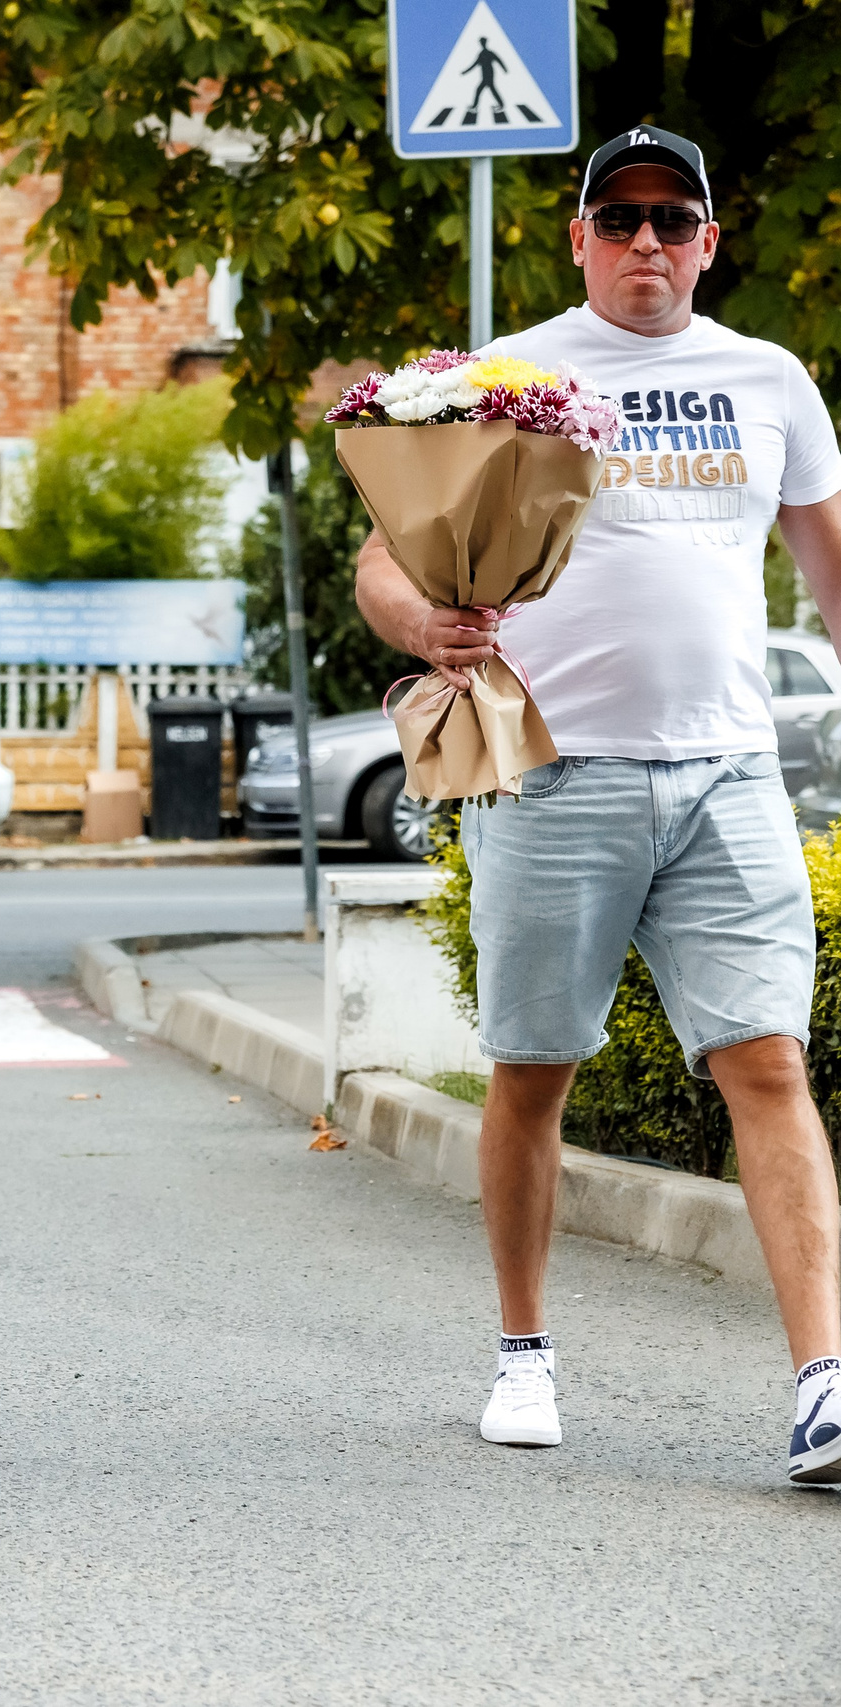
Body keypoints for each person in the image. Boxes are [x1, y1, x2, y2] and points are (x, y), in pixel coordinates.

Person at [355, 125, 841, 1480]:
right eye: (617, 218)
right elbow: (379, 560)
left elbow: (833, 577)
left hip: (729, 771)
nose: (645, 241)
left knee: (766, 1058)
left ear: (707, 242)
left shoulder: (771, 379)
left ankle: (824, 1381)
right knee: (533, 1069)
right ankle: (523, 1353)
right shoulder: (511, 377)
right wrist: (427, 621)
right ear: (577, 237)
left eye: (671, 219)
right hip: (555, 771)